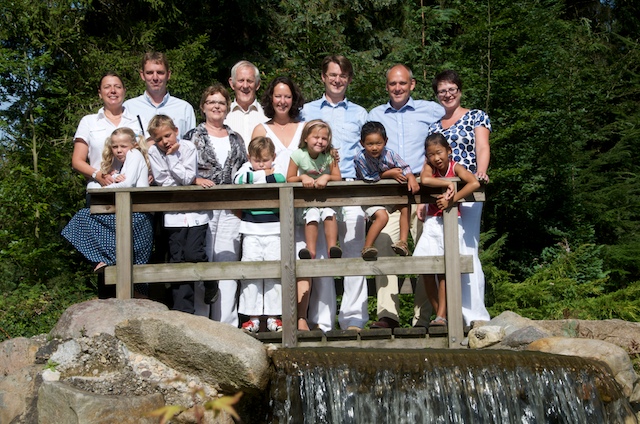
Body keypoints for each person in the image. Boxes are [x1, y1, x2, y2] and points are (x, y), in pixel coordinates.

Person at [367, 64, 445, 329]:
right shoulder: (375, 114)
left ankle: (423, 318)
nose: (397, 88)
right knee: (384, 247)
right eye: (392, 84)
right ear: (386, 86)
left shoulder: (431, 110)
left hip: (423, 193)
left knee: (426, 254)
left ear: (412, 84)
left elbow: (447, 137)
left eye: (402, 83)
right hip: (389, 192)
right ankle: (388, 315)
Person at [65, 72, 151, 298]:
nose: (112, 91)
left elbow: (143, 154)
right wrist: (98, 174)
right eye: (107, 87)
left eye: (117, 86)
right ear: (100, 92)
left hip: (131, 195)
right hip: (101, 193)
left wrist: (146, 173)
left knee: (132, 254)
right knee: (105, 262)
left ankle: (138, 307)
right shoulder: (89, 121)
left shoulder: (136, 120)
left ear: (124, 91)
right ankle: (107, 316)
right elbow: (77, 160)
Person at [301, 54, 369, 331]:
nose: (337, 80)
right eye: (332, 75)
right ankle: (323, 320)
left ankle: (353, 319)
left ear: (349, 79)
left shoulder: (360, 113)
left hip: (351, 186)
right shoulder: (306, 110)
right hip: (317, 189)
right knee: (320, 254)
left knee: (353, 253)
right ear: (323, 77)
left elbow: (368, 152)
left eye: (342, 75)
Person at [427, 69, 492, 325]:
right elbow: (430, 162)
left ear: (460, 90)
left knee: (468, 248)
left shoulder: (476, 116)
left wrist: (482, 171)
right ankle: (452, 313)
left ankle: (475, 316)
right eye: (442, 91)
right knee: (446, 253)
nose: (447, 94)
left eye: (451, 89)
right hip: (441, 193)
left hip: (467, 188)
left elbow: (482, 146)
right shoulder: (433, 126)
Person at [183, 83, 248, 325]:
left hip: (231, 208)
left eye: (221, 102)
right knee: (204, 262)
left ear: (227, 107)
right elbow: (181, 168)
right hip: (202, 206)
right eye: (212, 102)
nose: (217, 106)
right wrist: (194, 179)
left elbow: (243, 170)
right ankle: (202, 323)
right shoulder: (192, 136)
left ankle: (227, 324)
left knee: (228, 263)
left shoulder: (236, 138)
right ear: (203, 107)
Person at [63, 127, 153, 280]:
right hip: (131, 214)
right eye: (115, 146)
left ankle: (105, 259)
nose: (119, 150)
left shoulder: (134, 154)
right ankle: (104, 259)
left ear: (134, 145)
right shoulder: (124, 162)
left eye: (123, 146)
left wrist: (103, 189)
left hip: (137, 217)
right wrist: (116, 177)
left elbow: (127, 185)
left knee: (82, 218)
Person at [147, 115, 212, 314]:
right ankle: (183, 310)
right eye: (159, 139)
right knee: (177, 260)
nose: (165, 142)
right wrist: (182, 175)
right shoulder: (153, 152)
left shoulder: (188, 147)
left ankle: (210, 280)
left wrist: (172, 159)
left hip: (195, 214)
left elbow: (186, 178)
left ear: (176, 130)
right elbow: (162, 181)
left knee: (194, 254)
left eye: (167, 135)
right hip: (173, 215)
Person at [414, 133, 480, 327]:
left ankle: (441, 316)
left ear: (449, 151)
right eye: (431, 154)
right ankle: (440, 314)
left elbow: (474, 182)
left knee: (444, 269)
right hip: (432, 222)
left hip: (451, 222)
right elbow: (425, 179)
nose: (436, 158)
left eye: (440, 152)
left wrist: (453, 198)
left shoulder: (455, 166)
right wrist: (448, 182)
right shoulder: (429, 168)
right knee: (424, 266)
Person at [233, 137, 286, 333]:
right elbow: (238, 181)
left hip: (274, 229)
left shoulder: (279, 169)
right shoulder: (245, 169)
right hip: (251, 229)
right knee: (251, 273)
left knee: (274, 273)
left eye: (265, 160)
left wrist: (259, 175)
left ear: (273, 156)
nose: (261, 164)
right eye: (257, 160)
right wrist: (264, 175)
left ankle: (274, 317)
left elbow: (280, 179)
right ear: (249, 158)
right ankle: (252, 318)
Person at [354, 121, 420, 258]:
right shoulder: (360, 158)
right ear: (362, 143)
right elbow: (368, 177)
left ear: (385, 141)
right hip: (370, 196)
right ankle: (367, 247)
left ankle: (402, 242)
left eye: (378, 143)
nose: (374, 148)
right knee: (382, 217)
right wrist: (388, 174)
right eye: (369, 144)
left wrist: (411, 177)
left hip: (388, 195)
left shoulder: (391, 154)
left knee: (405, 206)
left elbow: (405, 167)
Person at [286, 119, 342, 260]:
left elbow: (337, 177)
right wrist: (302, 177)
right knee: (312, 214)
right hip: (308, 199)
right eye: (316, 137)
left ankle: (332, 247)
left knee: (329, 212)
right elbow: (290, 178)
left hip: (326, 198)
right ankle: (310, 250)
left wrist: (327, 177)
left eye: (324, 138)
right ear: (306, 138)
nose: (320, 141)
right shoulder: (298, 155)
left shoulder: (330, 155)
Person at [123, 51, 196, 138]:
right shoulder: (129, 108)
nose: (155, 78)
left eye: (160, 72)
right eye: (150, 73)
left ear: (168, 75)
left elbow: (191, 146)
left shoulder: (185, 109)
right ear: (142, 75)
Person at [225, 60, 268, 147]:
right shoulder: (223, 116)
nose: (245, 86)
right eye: (241, 80)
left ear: (258, 84)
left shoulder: (267, 115)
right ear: (232, 83)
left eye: (250, 81)